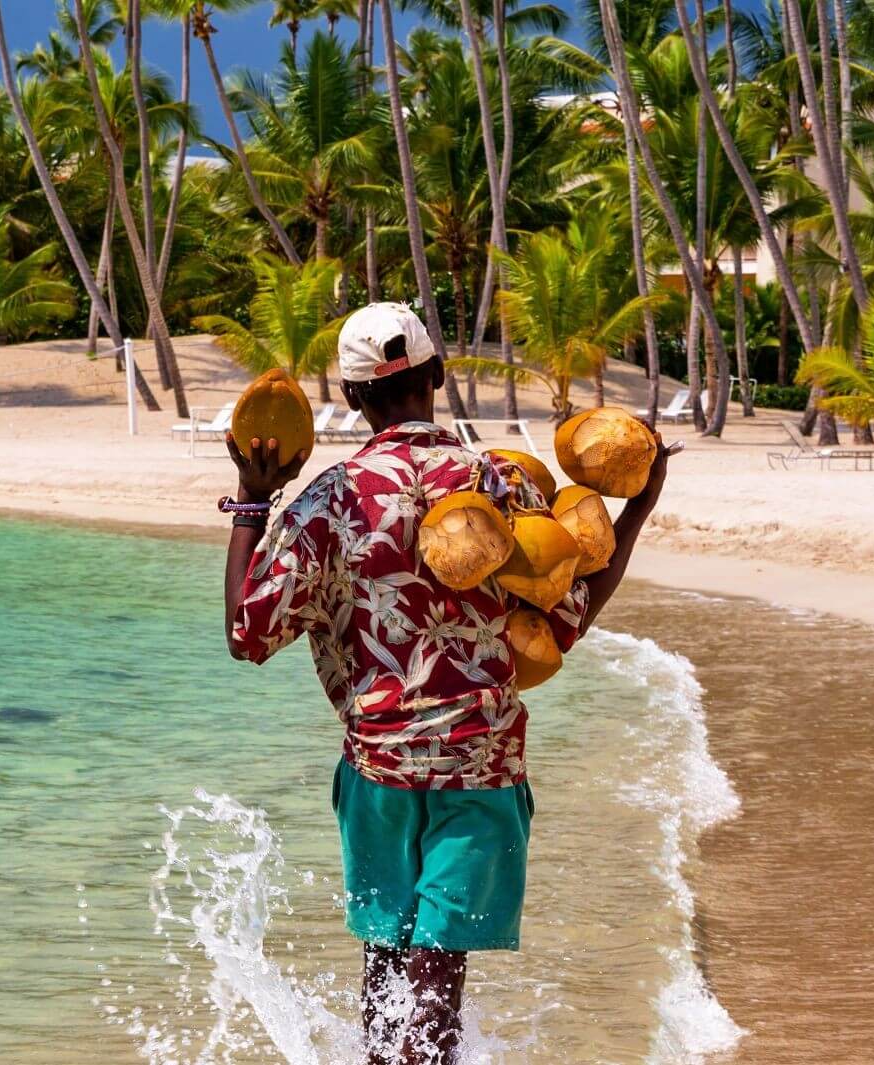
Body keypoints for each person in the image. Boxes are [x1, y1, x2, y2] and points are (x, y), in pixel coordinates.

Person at [219, 303, 671, 1063]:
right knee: (436, 977)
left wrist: (252, 500)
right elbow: (569, 615)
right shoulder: (500, 484)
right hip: (482, 768)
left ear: (353, 397)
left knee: (387, 970)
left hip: (377, 771)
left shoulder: (326, 504)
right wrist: (639, 509)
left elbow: (247, 632)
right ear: (437, 375)